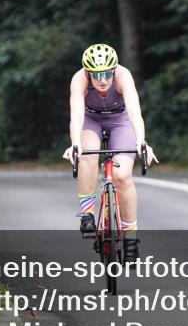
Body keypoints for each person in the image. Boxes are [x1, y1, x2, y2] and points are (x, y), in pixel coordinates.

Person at [62, 44, 157, 262]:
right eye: (97, 75)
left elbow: (134, 111)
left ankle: (130, 237)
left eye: (107, 74)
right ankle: (87, 214)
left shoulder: (123, 75)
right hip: (90, 120)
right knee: (87, 155)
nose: (103, 80)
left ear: (114, 70)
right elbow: (76, 115)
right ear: (88, 73)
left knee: (122, 176)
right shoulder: (79, 79)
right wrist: (75, 143)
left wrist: (141, 140)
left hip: (120, 121)